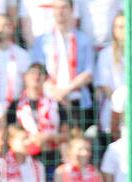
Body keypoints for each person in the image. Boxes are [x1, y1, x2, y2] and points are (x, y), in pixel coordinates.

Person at [34, 0, 97, 131]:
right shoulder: (42, 40)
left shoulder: (83, 40)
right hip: (50, 101)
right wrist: (56, 92)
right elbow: (37, 70)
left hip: (76, 101)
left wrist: (66, 90)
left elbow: (89, 73)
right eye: (56, 8)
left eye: (63, 8)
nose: (60, 12)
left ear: (72, 10)